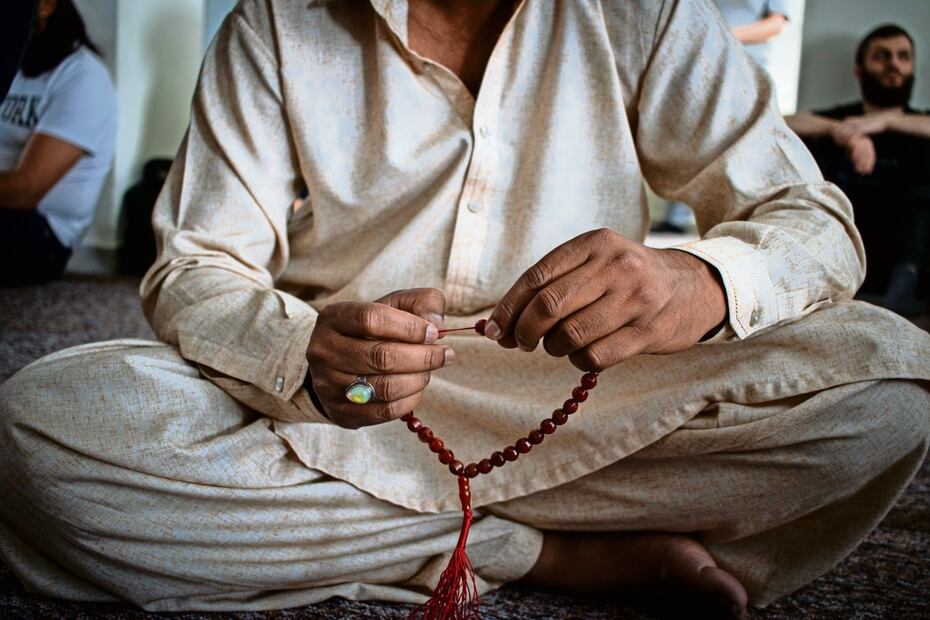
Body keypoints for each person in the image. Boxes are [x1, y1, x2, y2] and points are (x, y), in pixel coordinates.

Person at [1, 0, 928, 617]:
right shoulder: (275, 24)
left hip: (594, 395)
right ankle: (550, 552)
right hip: (350, 407)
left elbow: (811, 220)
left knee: (892, 388)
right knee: (42, 432)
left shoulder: (647, 11)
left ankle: (401, 533)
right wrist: (304, 353)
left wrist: (701, 284)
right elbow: (198, 263)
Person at [786, 25, 930, 317]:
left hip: (910, 253)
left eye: (903, 57)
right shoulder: (843, 119)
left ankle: (905, 281)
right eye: (882, 56)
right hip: (851, 238)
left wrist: (886, 122)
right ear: (860, 70)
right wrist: (846, 132)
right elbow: (781, 122)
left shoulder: (920, 122)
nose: (894, 64)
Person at [0, 0, 117, 286]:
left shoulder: (83, 76)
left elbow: (25, 191)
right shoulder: (13, 69)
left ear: (46, 5)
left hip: (44, 234)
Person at [655, 0, 791, 233]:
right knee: (690, 140)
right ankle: (677, 219)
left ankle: (739, 219)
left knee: (739, 147)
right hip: (700, 65)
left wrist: (721, 34)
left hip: (743, 69)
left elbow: (776, 24)